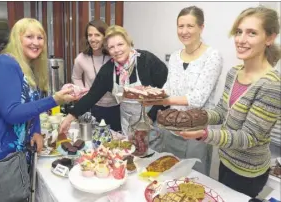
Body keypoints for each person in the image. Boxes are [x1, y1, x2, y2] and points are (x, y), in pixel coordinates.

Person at [177, 6, 281, 198]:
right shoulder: (234, 73)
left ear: (269, 38)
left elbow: (249, 137)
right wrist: (191, 116)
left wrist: (204, 134)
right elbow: (221, 112)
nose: (241, 40)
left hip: (248, 172)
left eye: (252, 33)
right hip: (225, 159)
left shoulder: (272, 85)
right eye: (239, 32)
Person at [145, 6, 223, 176]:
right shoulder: (175, 56)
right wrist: (151, 94)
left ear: (201, 27)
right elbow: (168, 88)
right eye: (180, 26)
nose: (184, 31)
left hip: (196, 131)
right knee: (171, 173)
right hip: (171, 128)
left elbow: (197, 99)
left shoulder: (212, 56)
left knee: (195, 178)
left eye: (190, 26)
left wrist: (162, 101)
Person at [0, 18, 78, 161]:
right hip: (3, 156)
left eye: (40, 38)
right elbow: (11, 113)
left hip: (21, 152)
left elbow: (31, 106)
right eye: (29, 37)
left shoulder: (27, 67)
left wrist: (36, 131)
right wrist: (54, 100)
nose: (36, 42)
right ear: (17, 39)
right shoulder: (4, 64)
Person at [59, 25, 168, 136]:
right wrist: (70, 117)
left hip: (152, 122)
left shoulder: (147, 60)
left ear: (128, 43)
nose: (117, 50)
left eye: (120, 44)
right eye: (111, 47)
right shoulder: (108, 70)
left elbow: (167, 91)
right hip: (128, 125)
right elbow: (91, 96)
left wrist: (150, 117)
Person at [71, 20, 120, 131]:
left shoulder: (113, 56)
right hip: (93, 107)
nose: (93, 39)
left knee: (115, 142)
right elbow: (76, 77)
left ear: (105, 37)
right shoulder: (81, 58)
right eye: (90, 35)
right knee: (95, 141)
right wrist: (84, 94)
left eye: (97, 35)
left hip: (116, 106)